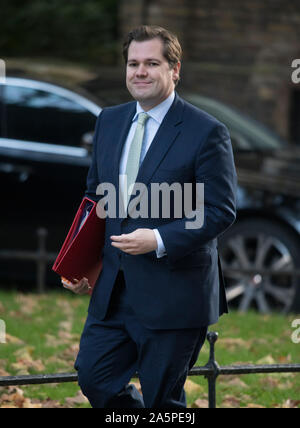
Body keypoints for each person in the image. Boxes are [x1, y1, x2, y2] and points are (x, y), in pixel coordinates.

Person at [63, 25, 237, 408]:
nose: (139, 72)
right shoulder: (109, 120)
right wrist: (84, 264)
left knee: (164, 402)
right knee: (95, 378)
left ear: (175, 69)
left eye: (151, 63)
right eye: (133, 63)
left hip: (176, 295)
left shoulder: (207, 132)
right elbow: (97, 197)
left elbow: (219, 209)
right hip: (114, 291)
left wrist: (158, 240)